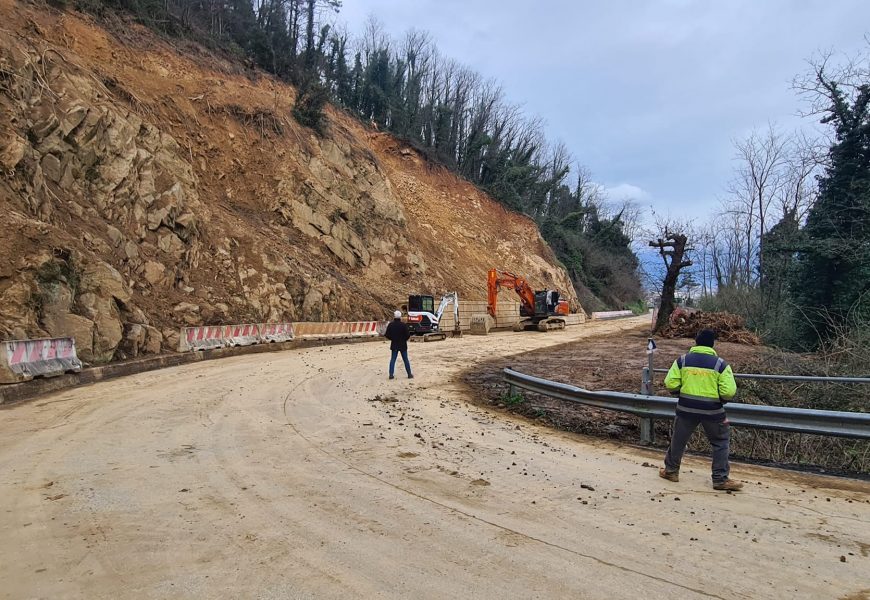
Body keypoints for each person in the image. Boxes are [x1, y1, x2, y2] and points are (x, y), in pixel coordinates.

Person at [659, 329, 743, 491]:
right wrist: (720, 400)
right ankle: (720, 479)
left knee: (678, 440)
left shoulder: (682, 361)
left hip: (685, 409)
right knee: (720, 442)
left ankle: (671, 471)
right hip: (713, 412)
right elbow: (728, 391)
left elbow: (670, 383)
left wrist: (680, 394)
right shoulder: (720, 364)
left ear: (696, 342)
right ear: (713, 344)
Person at [384, 310, 413, 380]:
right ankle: (409, 374)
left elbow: (387, 335)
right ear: (400, 317)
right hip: (403, 345)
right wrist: (403, 340)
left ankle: (391, 375)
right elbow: (408, 335)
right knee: (405, 359)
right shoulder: (403, 325)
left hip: (394, 344)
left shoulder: (391, 325)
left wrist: (393, 339)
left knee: (393, 359)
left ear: (394, 316)